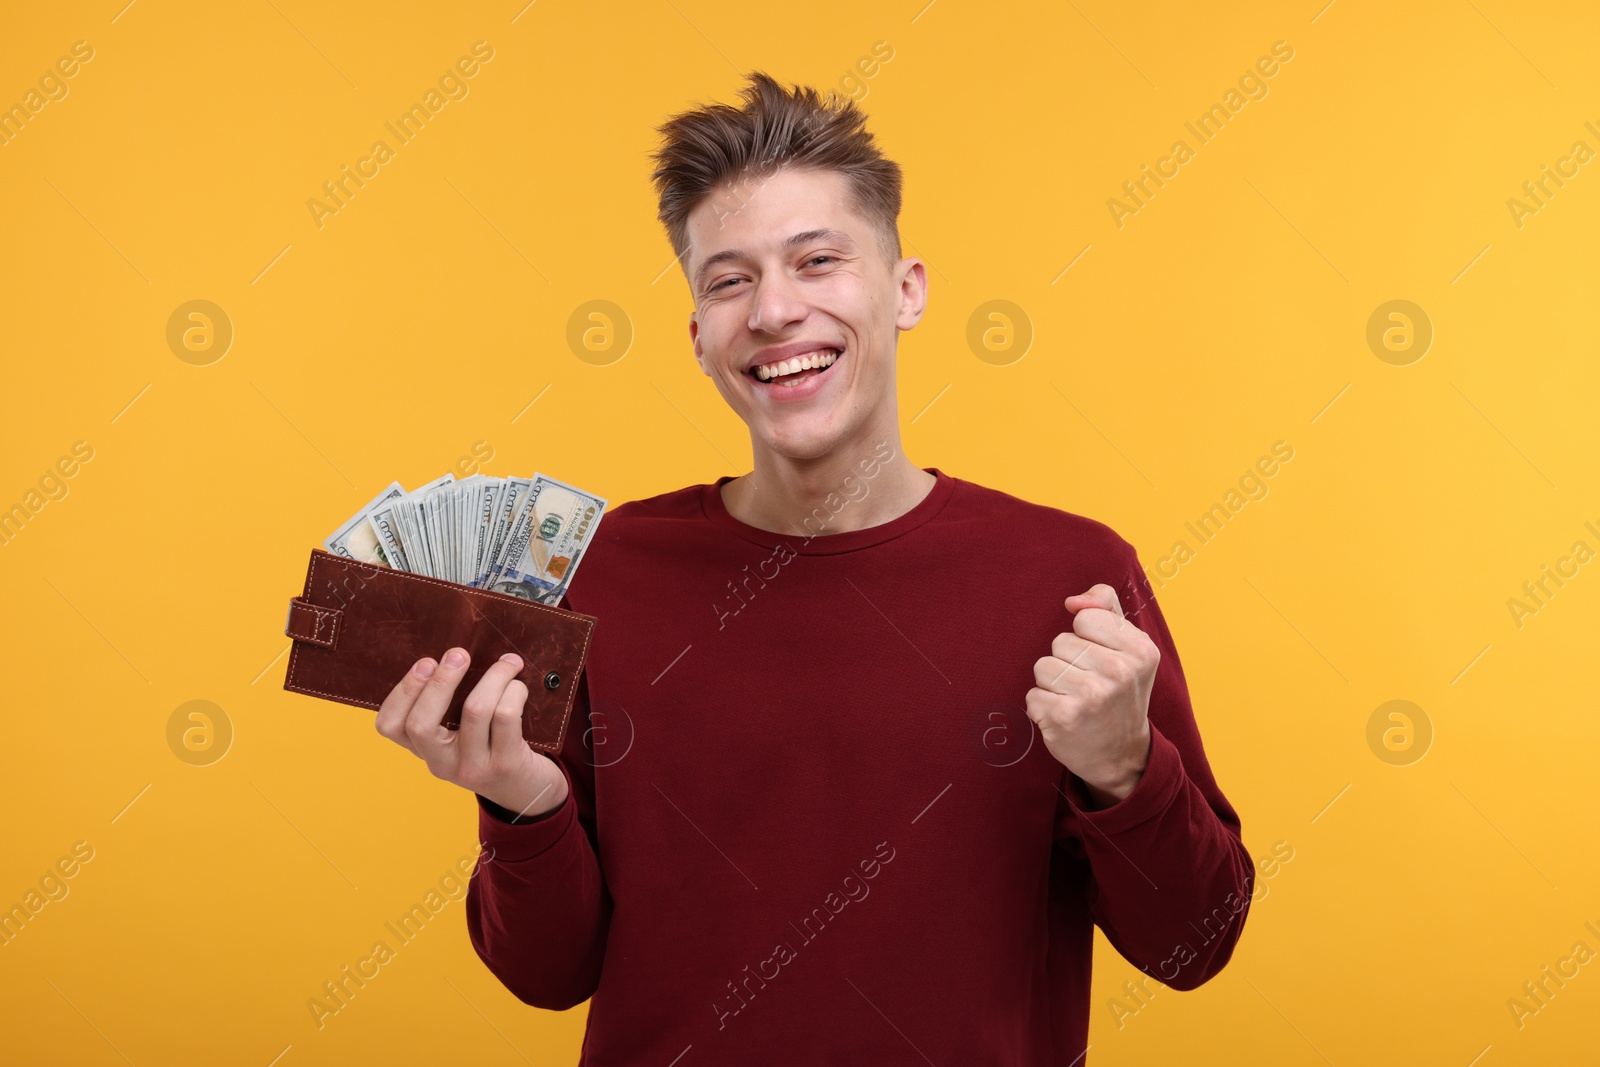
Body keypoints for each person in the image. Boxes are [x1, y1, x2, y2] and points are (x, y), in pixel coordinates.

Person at [375, 71, 1253, 1064]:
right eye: (728, 279)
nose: (773, 310)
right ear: (698, 335)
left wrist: (1124, 770)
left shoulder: (1072, 575)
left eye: (817, 260)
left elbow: (1196, 942)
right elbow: (547, 974)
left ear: (906, 290)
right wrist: (517, 801)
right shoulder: (601, 572)